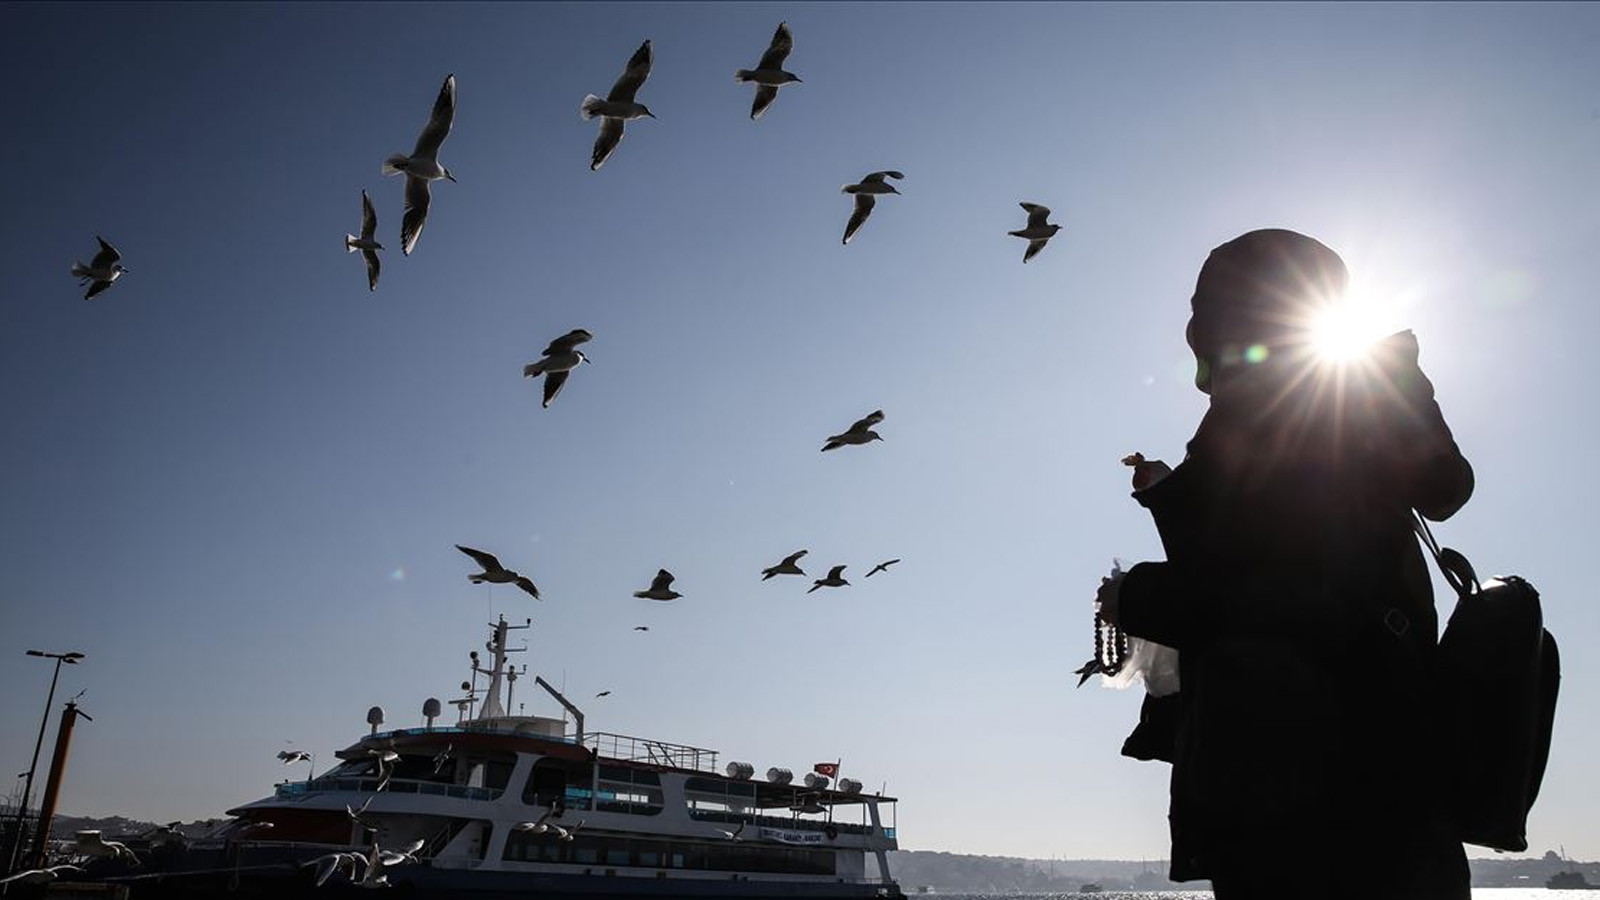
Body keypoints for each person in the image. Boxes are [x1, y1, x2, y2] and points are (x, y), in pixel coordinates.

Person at [1098, 229, 1474, 899]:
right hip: (1386, 776)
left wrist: (1135, 597)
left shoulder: (1277, 417)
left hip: (1293, 792)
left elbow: (1279, 598)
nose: (1194, 329)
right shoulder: (1347, 402)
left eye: (1205, 306)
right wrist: (1174, 496)